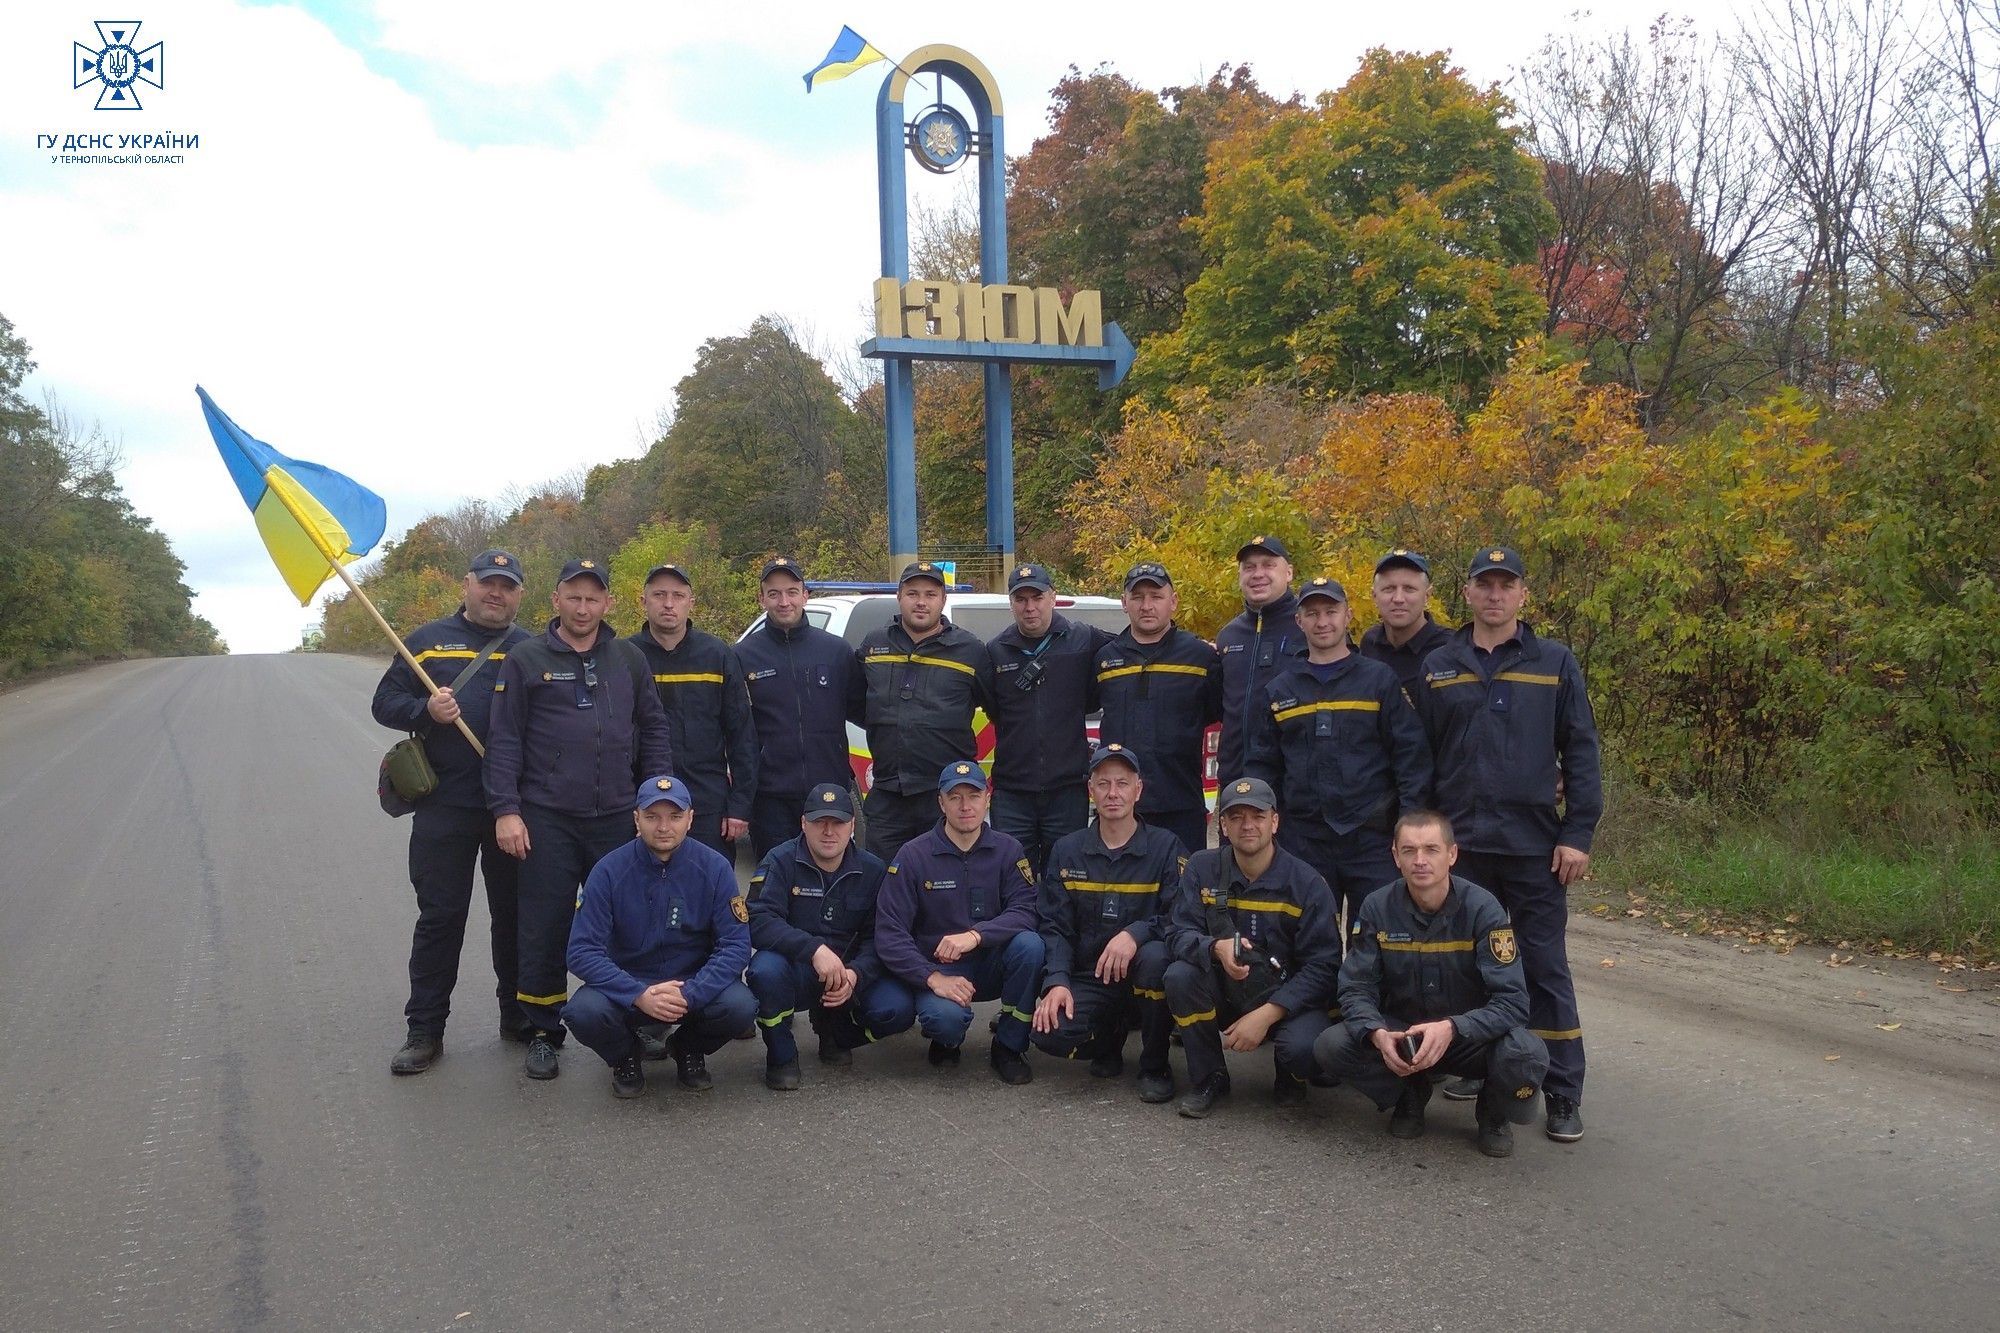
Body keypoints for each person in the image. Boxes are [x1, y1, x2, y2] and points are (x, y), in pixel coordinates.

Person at [1414, 546, 1602, 1143]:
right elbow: (1421, 758)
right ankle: (1481, 1066)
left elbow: (1581, 751)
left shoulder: (1555, 662)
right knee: (1467, 968)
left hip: (1532, 848)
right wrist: (1423, 836)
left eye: (1506, 585)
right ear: (1466, 593)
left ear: (1522, 594)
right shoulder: (1440, 664)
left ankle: (1563, 1092)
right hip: (1461, 849)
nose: (1494, 595)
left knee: (1543, 968)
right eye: (1483, 584)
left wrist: (1578, 833)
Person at [484, 557, 673, 1082]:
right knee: (543, 925)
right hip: (547, 818)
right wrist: (506, 810)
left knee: (633, 920)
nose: (584, 607)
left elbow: (653, 730)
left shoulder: (629, 659)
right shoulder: (524, 659)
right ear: (557, 600)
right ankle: (544, 1031)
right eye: (574, 597)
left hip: (617, 817)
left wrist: (655, 802)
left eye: (593, 598)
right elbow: (504, 741)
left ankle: (640, 1019)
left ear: (608, 603)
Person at [373, 549, 532, 1075]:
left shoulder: (533, 649)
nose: (496, 593)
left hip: (511, 806)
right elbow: (384, 703)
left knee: (514, 917)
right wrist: (426, 711)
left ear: (519, 595)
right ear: (467, 585)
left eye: (507, 586)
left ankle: (517, 1015)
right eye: (488, 583)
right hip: (445, 806)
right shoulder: (423, 642)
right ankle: (425, 1030)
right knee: (441, 918)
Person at [1313, 810, 1550, 1157]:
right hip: (1403, 1036)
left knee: (1524, 1052)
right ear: (1395, 856)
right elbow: (1355, 988)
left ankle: (1493, 1111)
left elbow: (1513, 1003)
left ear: (1452, 854)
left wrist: (1453, 1028)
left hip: (1471, 1039)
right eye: (1409, 850)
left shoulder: (1484, 910)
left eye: (1431, 849)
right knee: (1331, 1046)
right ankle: (1409, 1092)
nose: (1420, 860)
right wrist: (1377, 1033)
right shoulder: (1377, 908)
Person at [1245, 576, 1432, 928]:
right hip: (1304, 841)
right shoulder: (1280, 690)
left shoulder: (1378, 681)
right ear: (1298, 621)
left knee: (1375, 940)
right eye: (1312, 613)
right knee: (1311, 941)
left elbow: (1411, 759)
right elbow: (1262, 767)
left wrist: (1407, 825)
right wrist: (1269, 827)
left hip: (1371, 839)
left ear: (1348, 616)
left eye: (1331, 611)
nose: (1322, 621)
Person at [563, 776, 755, 1099]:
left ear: (690, 819)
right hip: (630, 987)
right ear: (636, 819)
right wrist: (637, 993)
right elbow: (581, 951)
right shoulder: (608, 871)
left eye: (675, 817)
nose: (664, 827)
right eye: (652, 817)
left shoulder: (716, 868)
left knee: (741, 1006)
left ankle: (687, 1048)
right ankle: (626, 1054)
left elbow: (735, 946)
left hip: (690, 986)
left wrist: (692, 993)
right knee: (583, 1012)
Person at [1162, 778, 1342, 1118]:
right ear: (1223, 826)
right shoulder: (1201, 867)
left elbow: (1324, 968)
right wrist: (1214, 947)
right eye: (1237, 817)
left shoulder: (1307, 883)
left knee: (1302, 1050)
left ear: (1275, 822)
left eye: (1258, 816)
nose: (1248, 825)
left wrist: (1267, 1014)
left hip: (1289, 1001)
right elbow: (1176, 933)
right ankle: (1209, 1077)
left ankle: (1290, 1075)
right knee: (1180, 976)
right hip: (1228, 992)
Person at [1030, 744, 1187, 1104]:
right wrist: (1056, 981)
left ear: (1138, 790)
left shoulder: (1166, 848)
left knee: (1156, 957)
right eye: (1103, 784)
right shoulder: (1067, 851)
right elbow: (1054, 926)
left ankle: (1155, 1064)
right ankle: (1108, 1036)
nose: (1113, 793)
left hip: (1143, 976)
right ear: (1091, 790)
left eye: (1122, 783)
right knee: (1047, 1035)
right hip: (1091, 978)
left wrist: (1136, 933)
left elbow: (1181, 918)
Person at [875, 761, 1044, 1084]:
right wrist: (931, 977)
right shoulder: (913, 856)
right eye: (955, 797)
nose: (965, 806)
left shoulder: (1009, 850)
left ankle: (1009, 1045)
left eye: (974, 796)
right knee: (945, 1020)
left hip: (992, 962)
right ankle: (946, 1040)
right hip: (941, 968)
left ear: (988, 798)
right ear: (941, 802)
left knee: (1030, 946)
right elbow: (889, 933)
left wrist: (976, 936)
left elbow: (1026, 910)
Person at [745, 783, 916, 1090]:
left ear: (852, 825)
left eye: (837, 822)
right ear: (803, 823)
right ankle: (782, 1054)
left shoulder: (874, 870)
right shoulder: (780, 860)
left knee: (898, 1009)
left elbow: (883, 936)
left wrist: (856, 974)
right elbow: (758, 919)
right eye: (819, 822)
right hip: (798, 968)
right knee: (765, 971)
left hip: (847, 974)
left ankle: (837, 1033)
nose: (828, 831)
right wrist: (813, 949)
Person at [851, 562, 992, 859]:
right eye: (913, 593)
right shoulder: (874, 645)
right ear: (900, 597)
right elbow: (855, 702)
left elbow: (995, 706)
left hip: (945, 794)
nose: (921, 602)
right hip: (888, 793)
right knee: (883, 884)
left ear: (942, 600)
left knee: (943, 886)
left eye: (930, 594)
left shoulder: (970, 650)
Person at [985, 562, 1112, 876]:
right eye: (1021, 599)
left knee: (1066, 876)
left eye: (1037, 597)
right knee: (1013, 876)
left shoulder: (1083, 639)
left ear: (1053, 597)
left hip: (1066, 790)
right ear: (1011, 604)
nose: (1030, 607)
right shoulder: (995, 651)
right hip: (1013, 792)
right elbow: (992, 708)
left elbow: (1135, 645)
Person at [627, 561, 758, 861]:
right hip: (641, 804)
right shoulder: (626, 657)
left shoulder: (717, 655)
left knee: (708, 894)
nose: (669, 604)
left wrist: (739, 806)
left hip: (707, 804)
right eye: (659, 595)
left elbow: (742, 737)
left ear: (691, 602)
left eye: (678, 595)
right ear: (643, 601)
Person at [1093, 561, 1223, 855]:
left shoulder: (1200, 657)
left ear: (1173, 602)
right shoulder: (1104, 660)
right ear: (1124, 603)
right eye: (1137, 597)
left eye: (1156, 596)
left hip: (1181, 804)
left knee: (1183, 894)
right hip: (1121, 808)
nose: (1146, 605)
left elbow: (1216, 712)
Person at [737, 557, 861, 858]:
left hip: (829, 792)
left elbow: (866, 711)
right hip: (770, 798)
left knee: (831, 882)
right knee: (774, 885)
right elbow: (736, 730)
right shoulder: (742, 656)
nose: (784, 602)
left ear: (805, 595)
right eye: (774, 593)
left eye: (792, 592)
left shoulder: (836, 651)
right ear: (761, 598)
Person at [1215, 535, 1305, 799]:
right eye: (1249, 567)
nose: (1258, 574)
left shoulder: (1310, 627)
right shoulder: (1228, 636)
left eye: (1268, 565)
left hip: (1293, 784)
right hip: (1236, 781)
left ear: (1288, 572)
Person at [1358, 548, 1453, 702]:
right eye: (1389, 589)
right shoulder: (1370, 644)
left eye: (1409, 589)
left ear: (1427, 596)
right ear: (1374, 596)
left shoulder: (1450, 648)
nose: (1398, 598)